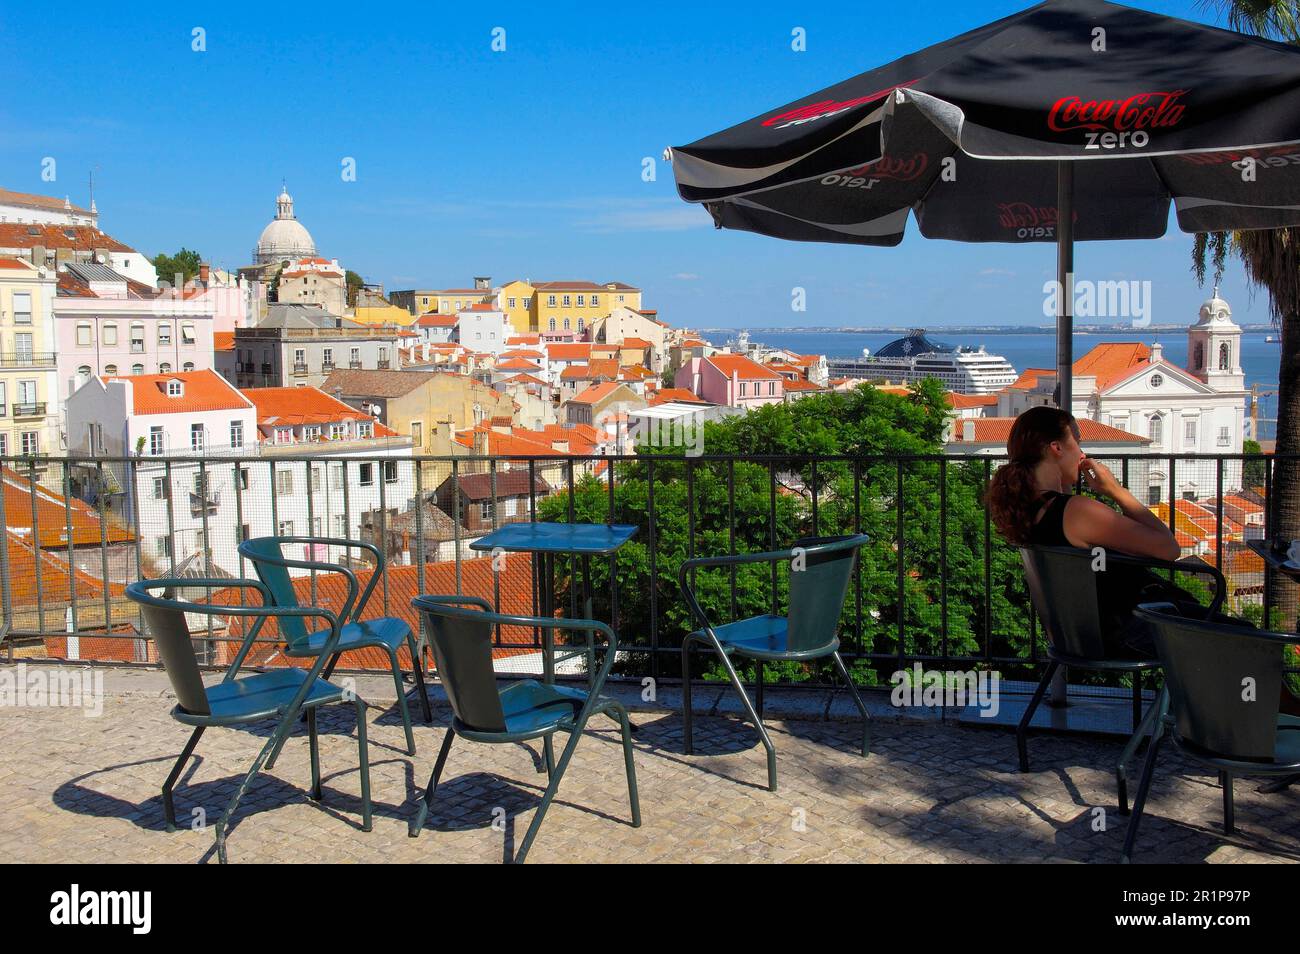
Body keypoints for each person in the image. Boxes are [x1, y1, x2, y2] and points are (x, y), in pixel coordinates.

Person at [986, 405, 1220, 657]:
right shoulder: (1075, 512)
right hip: (1132, 629)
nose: (1082, 452)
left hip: (1084, 636)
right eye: (1076, 440)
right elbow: (1169, 549)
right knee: (1248, 639)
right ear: (1057, 448)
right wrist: (1116, 490)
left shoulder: (1031, 511)